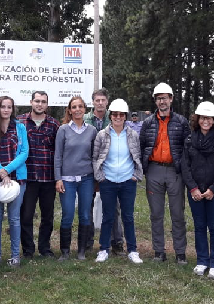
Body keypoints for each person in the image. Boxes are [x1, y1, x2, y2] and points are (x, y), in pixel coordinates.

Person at [139, 82, 190, 264]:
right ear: (155, 101)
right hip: (154, 170)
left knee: (177, 213)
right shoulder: (147, 123)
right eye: (159, 98)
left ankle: (180, 252)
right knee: (156, 213)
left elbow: (187, 147)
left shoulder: (181, 122)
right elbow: (143, 146)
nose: (162, 101)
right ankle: (158, 251)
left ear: (171, 99)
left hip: (175, 171)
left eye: (165, 97)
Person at [180, 102, 214, 278]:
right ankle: (202, 261)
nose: (205, 121)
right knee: (200, 226)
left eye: (209, 118)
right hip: (195, 192)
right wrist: (193, 188)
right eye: (202, 118)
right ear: (197, 119)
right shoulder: (189, 140)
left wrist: (213, 190)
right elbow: (185, 166)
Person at [92, 99, 143, 264]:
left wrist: (136, 175)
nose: (118, 117)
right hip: (108, 181)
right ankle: (103, 249)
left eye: (121, 114)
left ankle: (133, 250)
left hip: (128, 181)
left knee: (128, 217)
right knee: (108, 216)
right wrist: (100, 177)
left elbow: (137, 156)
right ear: (110, 115)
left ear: (125, 116)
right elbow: (95, 158)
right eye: (115, 114)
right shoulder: (102, 135)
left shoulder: (133, 135)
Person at [0, 96, 29, 269]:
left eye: (9, 107)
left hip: (17, 178)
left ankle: (15, 256)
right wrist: (0, 171)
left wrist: (8, 170)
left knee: (14, 219)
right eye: (2, 106)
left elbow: (25, 152)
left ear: (13, 109)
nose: (6, 110)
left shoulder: (19, 127)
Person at [17, 91, 60, 258]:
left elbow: (58, 152)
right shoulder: (20, 122)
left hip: (48, 178)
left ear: (47, 105)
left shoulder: (54, 124)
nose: (39, 104)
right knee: (26, 215)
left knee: (47, 216)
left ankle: (44, 248)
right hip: (27, 177)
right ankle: (28, 250)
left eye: (43, 102)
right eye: (37, 101)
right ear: (31, 102)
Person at [55, 96, 98, 261]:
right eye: (74, 107)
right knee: (67, 215)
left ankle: (81, 251)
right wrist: (58, 178)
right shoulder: (63, 130)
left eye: (80, 106)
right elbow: (57, 156)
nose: (77, 109)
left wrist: (96, 179)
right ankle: (65, 251)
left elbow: (94, 156)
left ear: (85, 109)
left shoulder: (92, 131)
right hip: (67, 179)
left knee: (85, 215)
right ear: (69, 110)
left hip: (86, 178)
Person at [84, 88, 125, 255]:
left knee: (113, 207)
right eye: (97, 100)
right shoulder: (85, 119)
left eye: (103, 100)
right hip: (87, 169)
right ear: (92, 102)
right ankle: (87, 243)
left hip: (109, 170)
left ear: (107, 101)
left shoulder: (115, 117)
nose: (100, 103)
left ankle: (117, 243)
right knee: (87, 206)